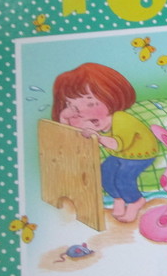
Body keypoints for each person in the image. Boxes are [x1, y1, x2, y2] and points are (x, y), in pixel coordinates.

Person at [51, 63, 158, 223]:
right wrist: (64, 116)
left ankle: (136, 201)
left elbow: (117, 144)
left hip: (139, 154)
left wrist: (98, 138)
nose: (81, 111)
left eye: (90, 103)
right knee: (105, 173)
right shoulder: (93, 118)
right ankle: (118, 199)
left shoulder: (122, 119)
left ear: (111, 98)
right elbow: (70, 132)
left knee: (123, 178)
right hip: (120, 154)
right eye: (72, 105)